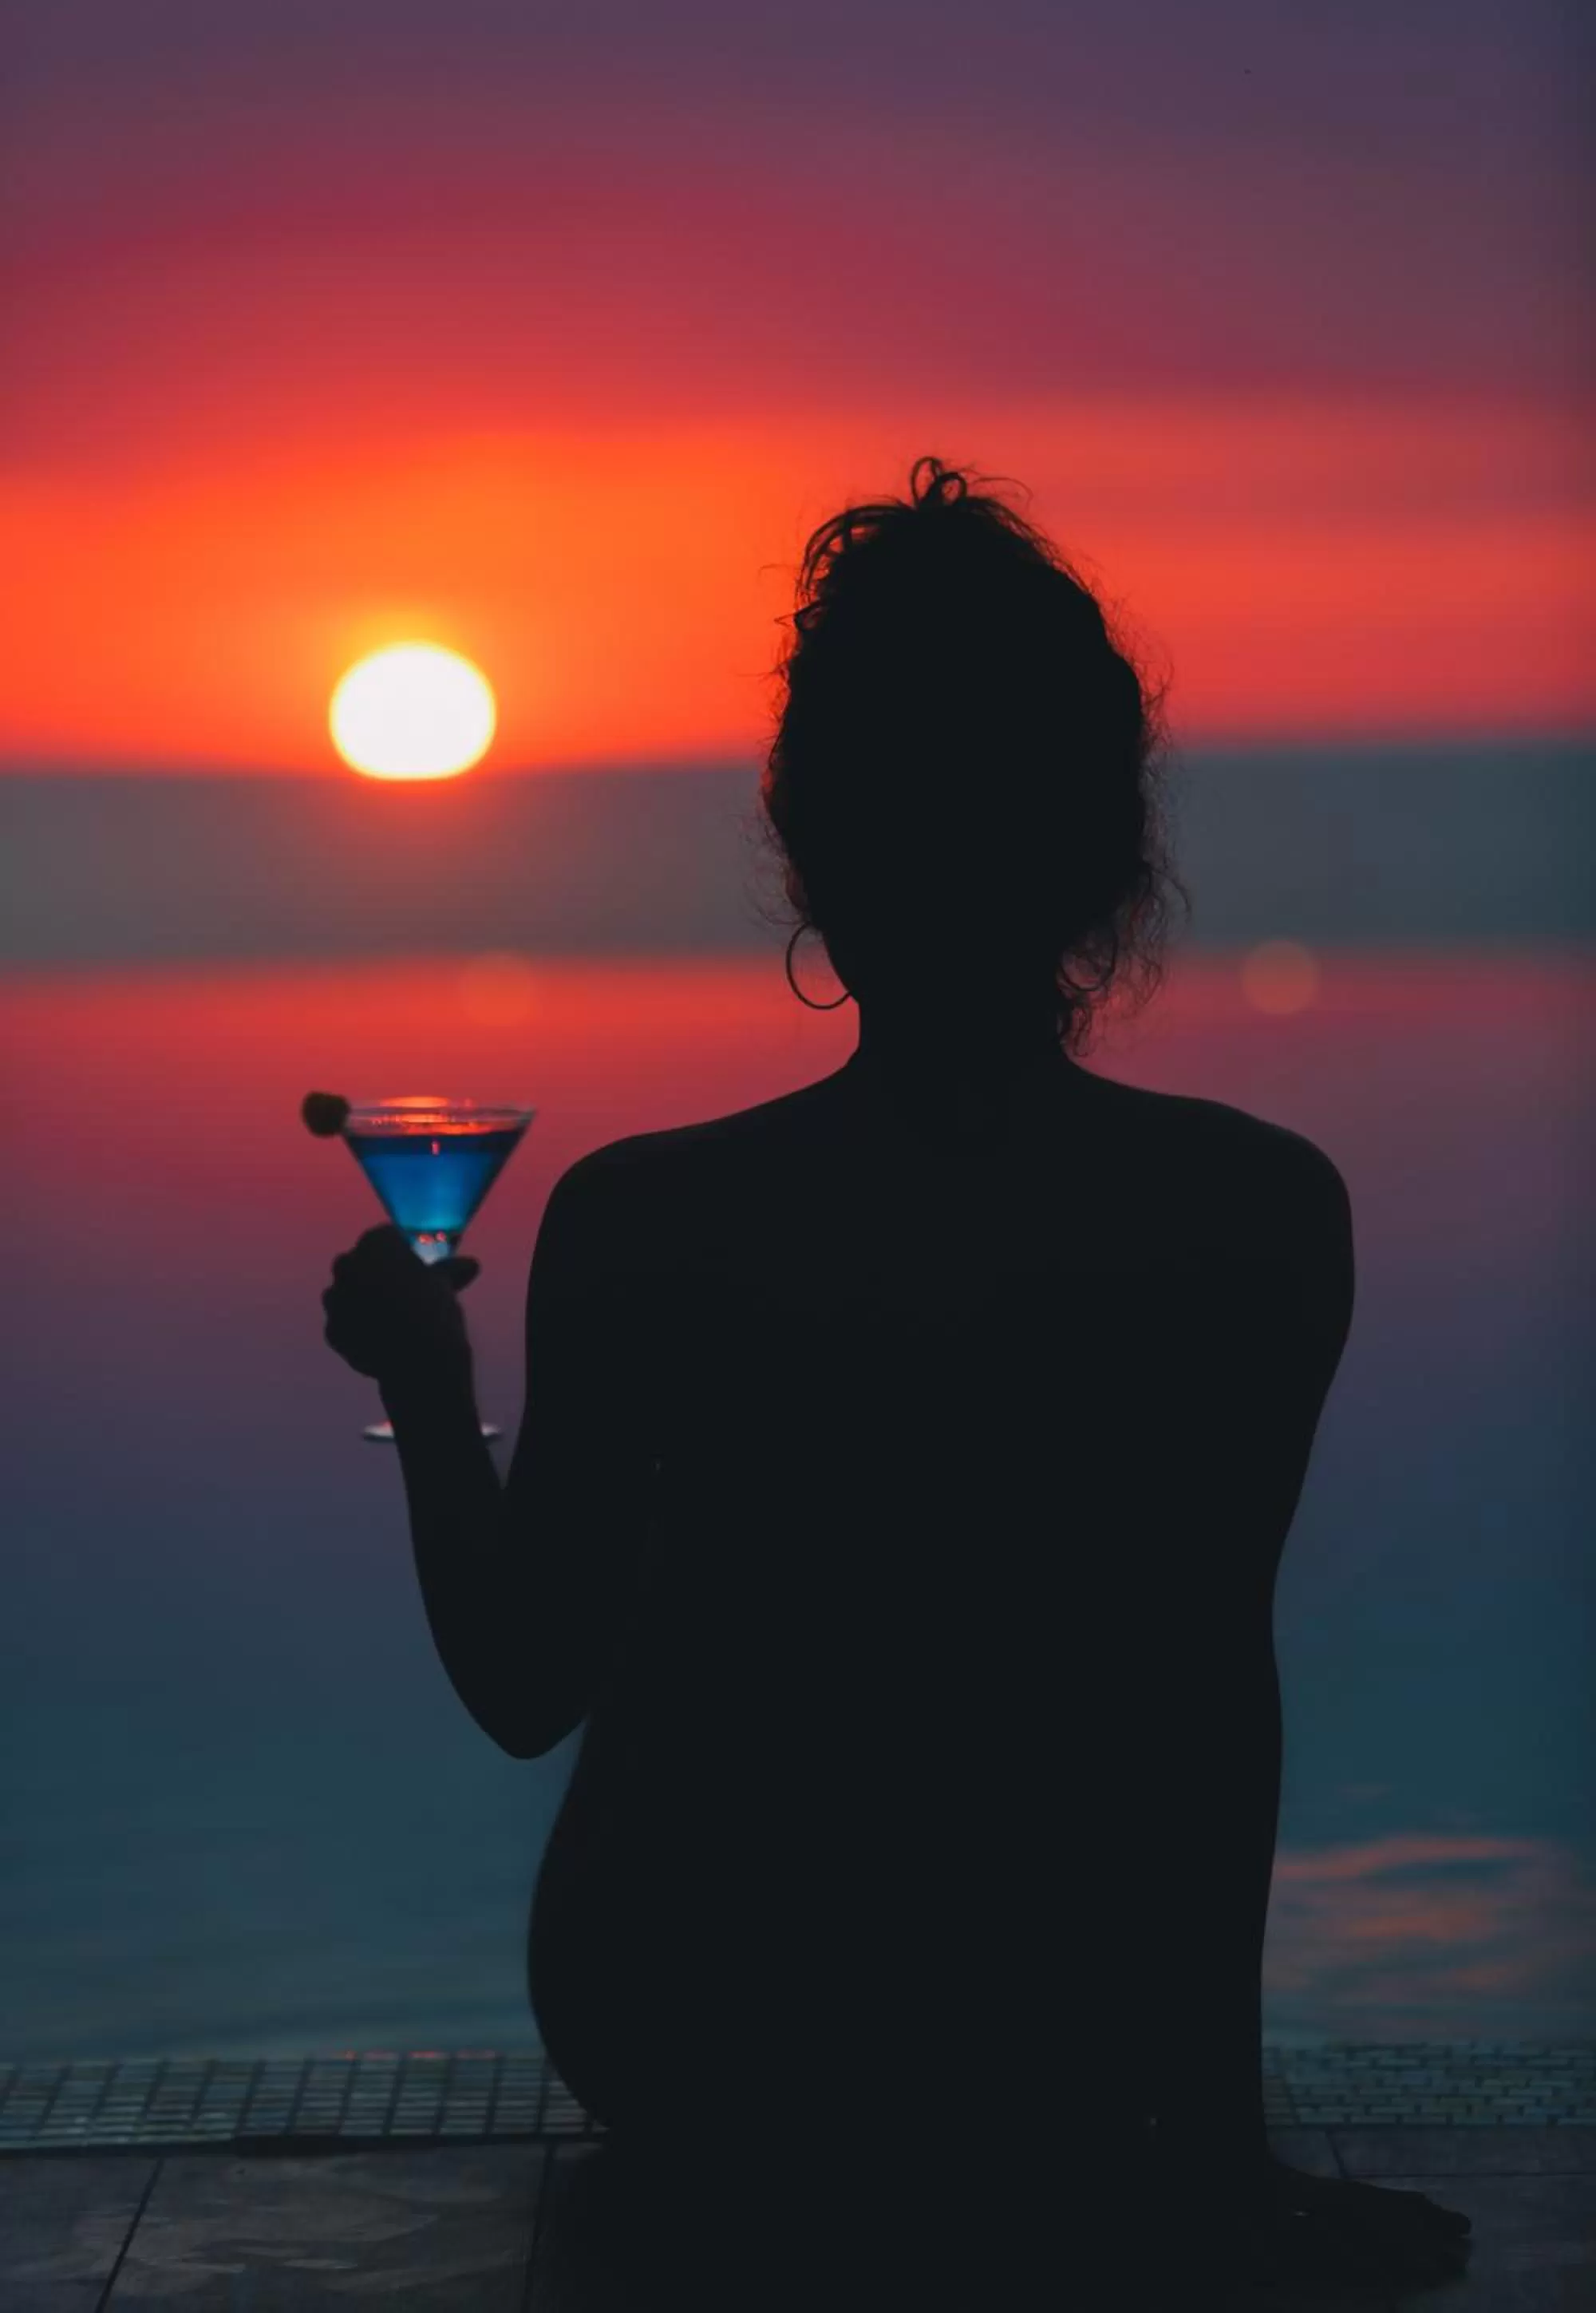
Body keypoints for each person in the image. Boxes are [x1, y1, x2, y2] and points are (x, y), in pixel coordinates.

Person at [321, 457, 1472, 2299]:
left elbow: (524, 1682)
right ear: (1101, 856)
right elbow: (1207, 1700)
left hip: (697, 2034)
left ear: (810, 852)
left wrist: (429, 1380)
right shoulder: (1259, 1216)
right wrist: (1222, 2161)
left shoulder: (648, 1223)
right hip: (1062, 2060)